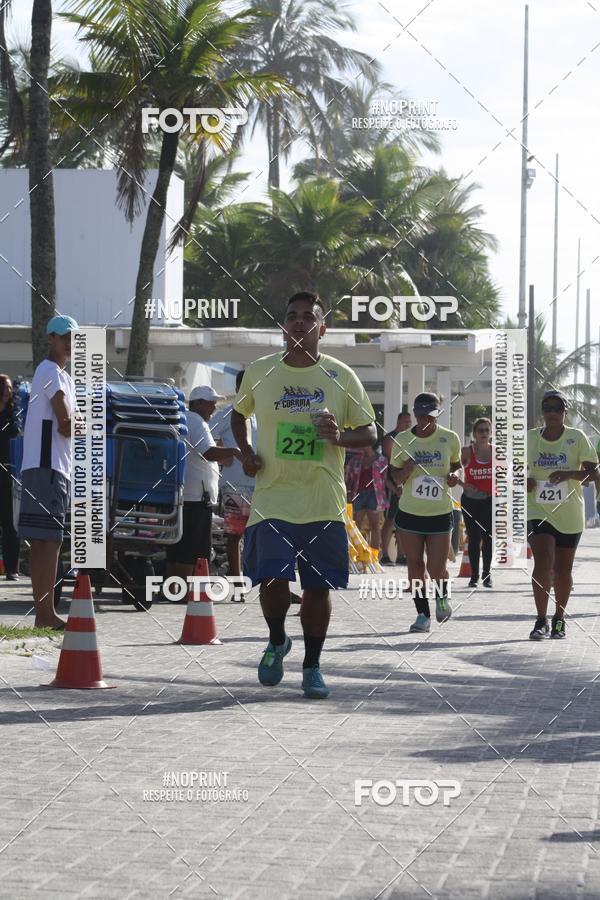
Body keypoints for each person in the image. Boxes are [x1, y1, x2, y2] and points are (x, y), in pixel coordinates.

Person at [231, 291, 376, 699]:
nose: (298, 323)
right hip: (273, 496)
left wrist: (339, 436)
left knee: (317, 587)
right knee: (271, 578)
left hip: (321, 498)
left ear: (321, 328)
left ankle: (312, 666)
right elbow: (239, 413)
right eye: (291, 316)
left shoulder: (341, 376)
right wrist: (245, 452)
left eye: (308, 318)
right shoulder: (260, 371)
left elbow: (370, 433)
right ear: (283, 326)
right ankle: (278, 639)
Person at [17, 315, 78, 629]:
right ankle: (44, 614)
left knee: (46, 542)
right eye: (64, 336)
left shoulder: (63, 376)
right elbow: (66, 422)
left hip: (53, 465)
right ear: (50, 339)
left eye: (74, 338)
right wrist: (79, 425)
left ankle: (44, 614)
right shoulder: (49, 370)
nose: (70, 342)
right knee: (47, 542)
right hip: (47, 464)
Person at [527, 390, 597, 640]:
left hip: (569, 512)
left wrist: (569, 474)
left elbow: (593, 474)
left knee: (563, 570)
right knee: (542, 561)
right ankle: (540, 620)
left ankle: (559, 618)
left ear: (565, 412)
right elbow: (512, 472)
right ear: (542, 412)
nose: (553, 412)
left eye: (558, 408)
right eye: (548, 407)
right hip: (537, 510)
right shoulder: (530, 439)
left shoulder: (577, 438)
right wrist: (524, 481)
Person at [388, 392, 462, 633]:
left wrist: (455, 477)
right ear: (415, 415)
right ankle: (422, 615)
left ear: (437, 414)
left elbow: (456, 467)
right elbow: (394, 476)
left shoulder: (449, 438)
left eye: (429, 416)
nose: (424, 421)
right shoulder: (402, 439)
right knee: (415, 565)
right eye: (420, 416)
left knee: (436, 568)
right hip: (410, 512)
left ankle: (442, 597)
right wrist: (406, 471)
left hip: (440, 512)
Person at [165, 385, 241, 590]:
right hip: (197, 497)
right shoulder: (197, 422)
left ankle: (172, 589)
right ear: (197, 403)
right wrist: (234, 451)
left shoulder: (185, 419)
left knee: (178, 546)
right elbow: (207, 452)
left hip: (185, 495)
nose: (214, 408)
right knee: (192, 547)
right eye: (210, 403)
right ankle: (181, 592)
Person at [210, 370, 257, 582]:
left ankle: (262, 581)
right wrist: (226, 456)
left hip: (264, 485)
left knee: (260, 536)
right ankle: (237, 581)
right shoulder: (227, 414)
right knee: (234, 535)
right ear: (239, 389)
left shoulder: (262, 414)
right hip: (236, 485)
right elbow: (205, 440)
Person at [459, 418, 493, 588]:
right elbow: (452, 470)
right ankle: (474, 576)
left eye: (487, 430)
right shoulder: (466, 451)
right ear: (474, 433)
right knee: (473, 538)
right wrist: (462, 484)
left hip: (489, 500)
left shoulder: (497, 452)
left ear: (491, 433)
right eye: (480, 430)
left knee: (488, 537)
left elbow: (506, 474)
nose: (484, 434)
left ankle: (487, 574)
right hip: (470, 500)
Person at [344, 441, 388, 554]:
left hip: (375, 494)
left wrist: (395, 490)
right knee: (356, 526)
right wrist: (348, 494)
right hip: (358, 493)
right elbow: (349, 477)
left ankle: (375, 554)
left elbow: (386, 479)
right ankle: (357, 553)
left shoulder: (381, 460)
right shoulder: (356, 459)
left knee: (375, 527)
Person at [381, 410, 412, 565]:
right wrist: (395, 486)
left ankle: (401, 554)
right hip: (391, 483)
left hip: (406, 483)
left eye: (409, 422)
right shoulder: (391, 438)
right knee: (390, 519)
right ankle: (384, 554)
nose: (408, 424)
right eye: (405, 421)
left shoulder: (411, 438)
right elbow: (390, 461)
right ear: (399, 422)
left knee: (403, 520)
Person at [0, 374, 20, 579]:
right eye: (4, 387)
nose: (8, 390)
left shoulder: (13, 414)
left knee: (9, 522)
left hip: (8, 470)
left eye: (9, 387)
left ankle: (11, 568)